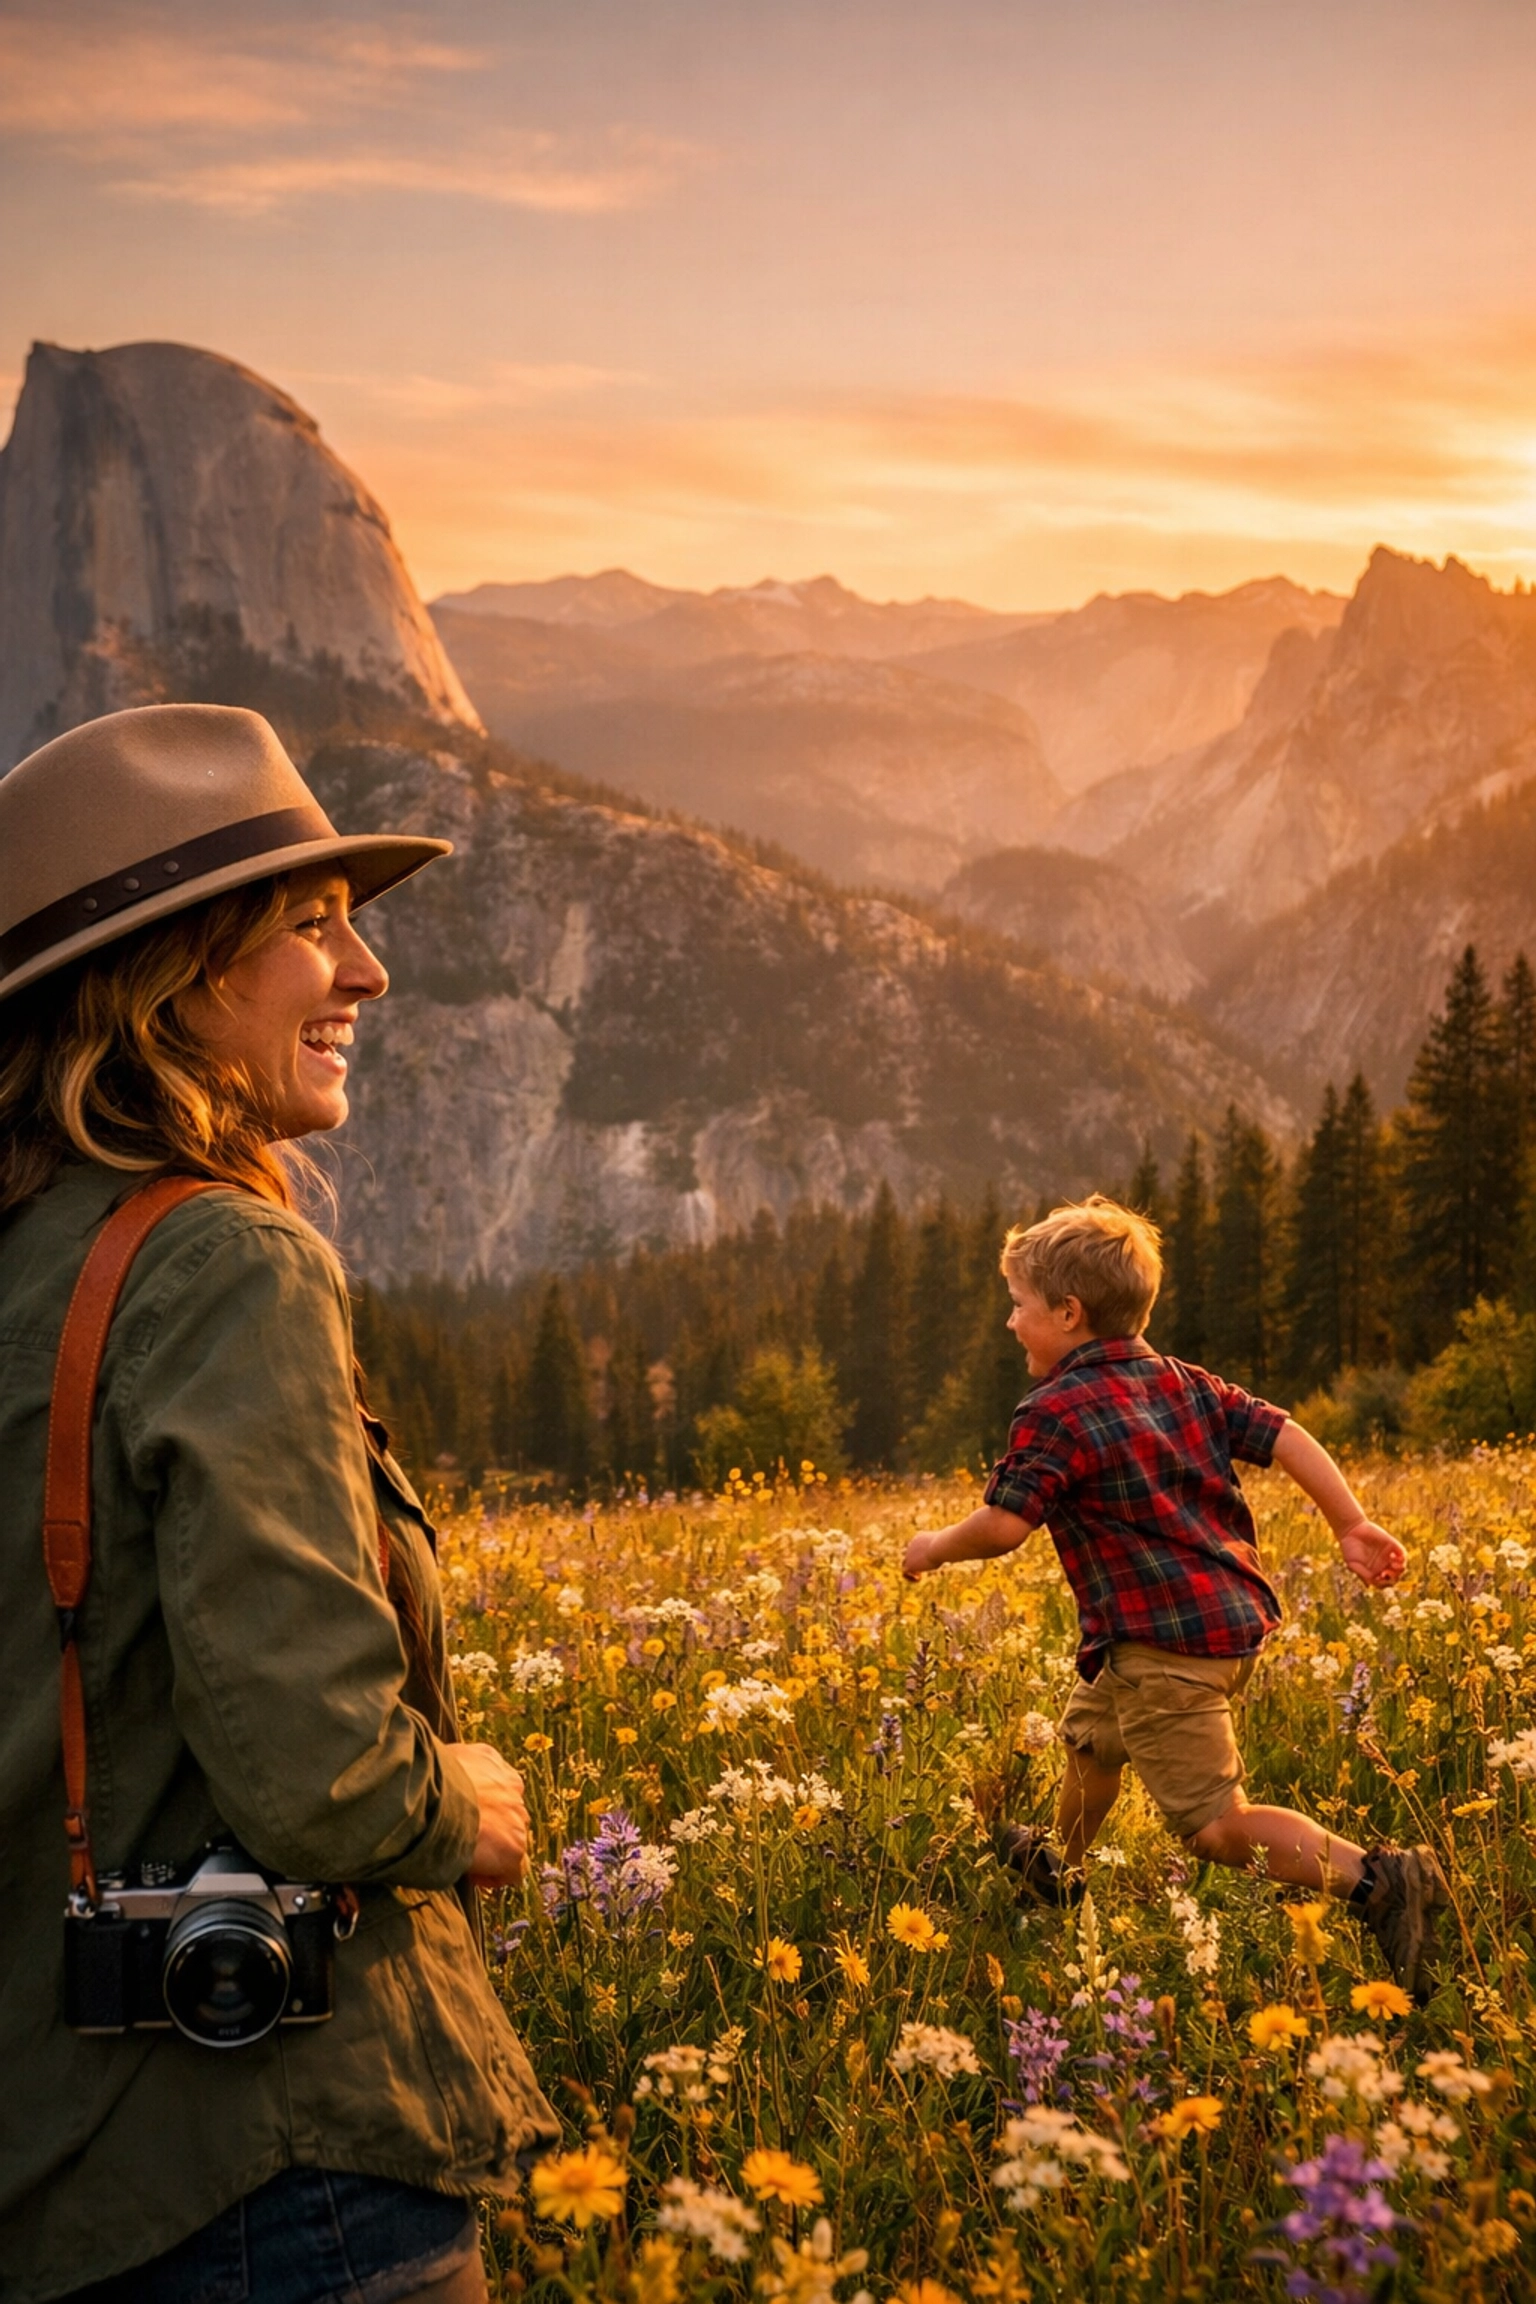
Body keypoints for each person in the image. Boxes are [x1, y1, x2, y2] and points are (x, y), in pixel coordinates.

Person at [0, 705, 559, 2304]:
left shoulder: (26, 1259)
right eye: (308, 927)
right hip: (268, 2157)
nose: (367, 972)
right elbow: (324, 1780)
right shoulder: (220, 1263)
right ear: (169, 977)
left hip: (50, 2171)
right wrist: (465, 1798)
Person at [902, 1194, 1451, 2001]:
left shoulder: (1054, 1409)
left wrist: (933, 1549)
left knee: (1216, 1827)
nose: (1011, 1325)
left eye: (1019, 1308)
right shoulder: (1186, 1383)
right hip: (1205, 1626)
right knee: (1091, 1744)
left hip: (1163, 1649)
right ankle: (1062, 1871)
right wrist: (1351, 1522)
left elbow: (1004, 1525)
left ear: (1068, 1310)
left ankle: (1380, 1883)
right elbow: (1287, 1433)